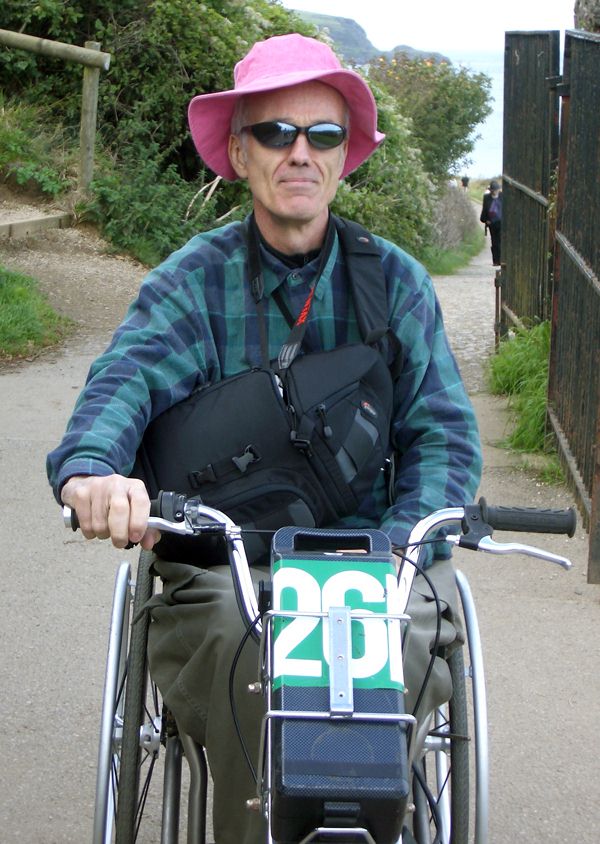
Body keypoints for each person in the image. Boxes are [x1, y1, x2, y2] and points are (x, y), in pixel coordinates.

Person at [47, 33, 482, 844]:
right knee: (250, 651)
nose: (299, 152)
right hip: (226, 565)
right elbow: (127, 379)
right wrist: (93, 469)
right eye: (276, 132)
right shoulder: (190, 282)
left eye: (322, 133)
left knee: (404, 639)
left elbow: (444, 434)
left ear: (345, 155)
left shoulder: (396, 283)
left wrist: (401, 549)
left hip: (373, 563)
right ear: (241, 152)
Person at [480, 178, 502, 266]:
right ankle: (496, 261)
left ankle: (501, 260)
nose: (494, 192)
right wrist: (485, 220)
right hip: (491, 223)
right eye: (493, 190)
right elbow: (484, 210)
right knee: (494, 242)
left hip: (501, 222)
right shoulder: (486, 197)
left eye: (496, 190)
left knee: (500, 241)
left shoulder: (503, 196)